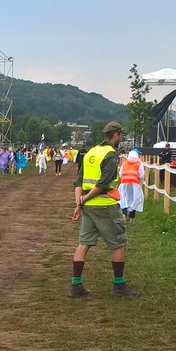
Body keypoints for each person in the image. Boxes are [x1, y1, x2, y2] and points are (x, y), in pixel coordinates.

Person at [69, 121, 134, 298]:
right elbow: (103, 184)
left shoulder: (90, 152)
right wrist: (84, 199)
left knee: (84, 243)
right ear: (116, 135)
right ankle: (119, 286)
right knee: (119, 244)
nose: (121, 138)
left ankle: (76, 285)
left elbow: (79, 181)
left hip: (89, 208)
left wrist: (79, 203)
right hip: (105, 205)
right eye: (121, 135)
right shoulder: (111, 155)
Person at [118, 149, 145, 221]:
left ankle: (124, 213)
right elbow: (141, 175)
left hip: (124, 184)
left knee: (124, 198)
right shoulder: (139, 163)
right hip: (135, 184)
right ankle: (131, 217)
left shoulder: (125, 163)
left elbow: (120, 173)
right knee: (134, 199)